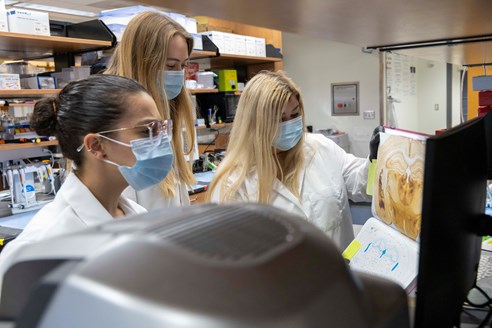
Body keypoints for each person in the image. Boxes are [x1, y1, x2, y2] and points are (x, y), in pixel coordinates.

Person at [0, 74, 174, 291]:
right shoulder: (39, 250)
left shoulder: (135, 214)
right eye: (147, 130)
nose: (161, 141)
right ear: (97, 146)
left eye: (161, 129)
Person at [208, 71, 375, 250]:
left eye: (295, 115)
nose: (289, 124)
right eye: (279, 119)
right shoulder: (232, 183)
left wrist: (375, 161)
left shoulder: (321, 148)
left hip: (339, 273)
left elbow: (363, 185)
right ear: (256, 124)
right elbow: (230, 258)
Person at [105, 11, 196, 209]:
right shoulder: (114, 125)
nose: (178, 75)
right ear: (141, 62)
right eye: (170, 65)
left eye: (183, 66)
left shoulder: (165, 116)